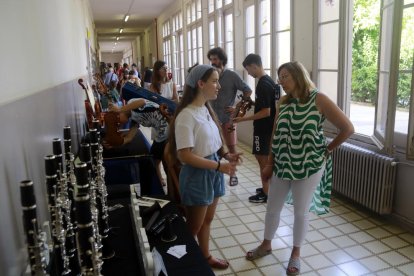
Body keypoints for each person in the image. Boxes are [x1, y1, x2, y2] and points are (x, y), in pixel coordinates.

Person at [245, 61, 354, 275]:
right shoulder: (284, 102)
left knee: (300, 211)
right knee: (273, 206)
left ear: (298, 76)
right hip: (283, 163)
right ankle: (266, 244)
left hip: (309, 165)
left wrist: (327, 150)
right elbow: (276, 134)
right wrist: (269, 163)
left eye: (285, 76)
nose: (281, 81)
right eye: (280, 77)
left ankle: (296, 253)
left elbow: (347, 128)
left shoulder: (318, 99)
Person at [168, 64, 242, 269]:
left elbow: (214, 141)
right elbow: (184, 155)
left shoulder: (205, 109)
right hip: (198, 175)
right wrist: (219, 166)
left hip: (212, 170)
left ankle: (205, 256)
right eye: (215, 81)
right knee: (193, 227)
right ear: (201, 84)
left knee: (207, 221)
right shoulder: (186, 115)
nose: (219, 86)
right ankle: (182, 264)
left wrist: (227, 154)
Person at [233, 54, 280, 203]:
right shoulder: (268, 82)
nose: (248, 73)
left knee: (262, 161)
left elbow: (266, 112)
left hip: (263, 129)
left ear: (255, 65)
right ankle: (267, 188)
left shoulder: (263, 85)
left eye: (248, 69)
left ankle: (266, 194)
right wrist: (251, 103)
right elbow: (267, 106)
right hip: (267, 129)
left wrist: (243, 119)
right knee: (263, 160)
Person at [207, 47, 252, 186]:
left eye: (215, 59)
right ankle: (217, 172)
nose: (213, 62)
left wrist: (237, 107)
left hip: (229, 120)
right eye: (211, 59)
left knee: (231, 148)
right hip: (212, 119)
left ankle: (233, 175)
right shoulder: (210, 74)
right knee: (214, 147)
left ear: (222, 59)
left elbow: (248, 91)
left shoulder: (232, 76)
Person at [107, 98, 169, 187]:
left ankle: (168, 184)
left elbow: (142, 102)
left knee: (164, 161)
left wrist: (120, 109)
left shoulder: (131, 104)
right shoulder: (134, 120)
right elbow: (129, 138)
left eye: (117, 119)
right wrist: (114, 144)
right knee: (154, 158)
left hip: (167, 129)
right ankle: (160, 181)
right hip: (161, 134)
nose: (119, 123)